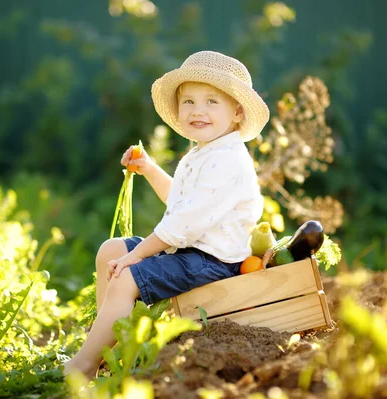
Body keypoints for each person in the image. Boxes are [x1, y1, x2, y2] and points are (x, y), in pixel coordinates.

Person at [63, 50, 270, 380]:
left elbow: (183, 225)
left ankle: (83, 366)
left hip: (214, 263)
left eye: (211, 102)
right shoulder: (203, 153)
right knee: (112, 251)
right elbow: (180, 201)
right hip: (190, 253)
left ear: (237, 111)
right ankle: (107, 349)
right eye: (188, 102)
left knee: (128, 274)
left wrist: (140, 255)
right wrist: (148, 168)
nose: (197, 111)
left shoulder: (228, 160)